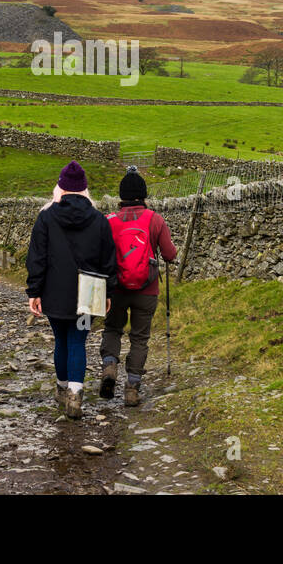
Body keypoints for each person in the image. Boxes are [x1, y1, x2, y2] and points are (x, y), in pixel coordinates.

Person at [26, 161, 116, 419]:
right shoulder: (99, 220)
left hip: (54, 291)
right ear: (85, 190)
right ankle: (75, 395)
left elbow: (37, 258)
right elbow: (109, 259)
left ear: (61, 188)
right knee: (78, 340)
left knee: (62, 340)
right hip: (89, 294)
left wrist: (35, 291)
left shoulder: (46, 217)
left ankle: (63, 387)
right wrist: (108, 291)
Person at [101, 166, 179, 407]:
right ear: (144, 195)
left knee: (113, 329)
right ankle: (132, 389)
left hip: (115, 290)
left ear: (121, 196)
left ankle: (110, 367)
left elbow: (99, 254)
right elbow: (170, 254)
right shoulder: (155, 219)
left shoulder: (109, 221)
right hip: (146, 289)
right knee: (140, 338)